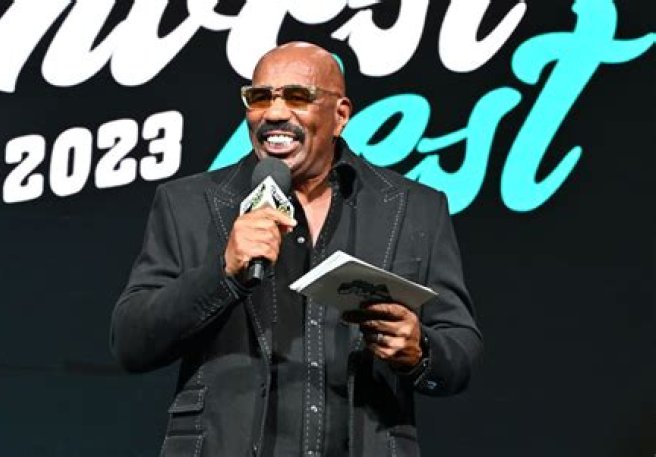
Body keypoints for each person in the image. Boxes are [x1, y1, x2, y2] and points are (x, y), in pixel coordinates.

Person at [111, 41, 482, 457]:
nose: (273, 113)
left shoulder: (415, 208)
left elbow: (461, 349)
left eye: (297, 96)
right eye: (259, 97)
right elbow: (131, 342)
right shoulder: (187, 204)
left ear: (340, 115)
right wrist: (222, 274)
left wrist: (419, 352)